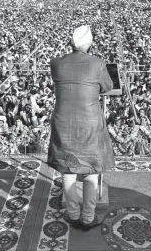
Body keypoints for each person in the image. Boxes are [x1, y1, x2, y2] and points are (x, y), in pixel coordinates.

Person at [47, 25, 115, 231]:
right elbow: (108, 87)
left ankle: (73, 214)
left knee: (68, 169)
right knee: (91, 169)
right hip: (89, 124)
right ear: (90, 43)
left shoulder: (56, 63)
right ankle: (88, 217)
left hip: (63, 122)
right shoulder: (97, 63)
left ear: (71, 43)